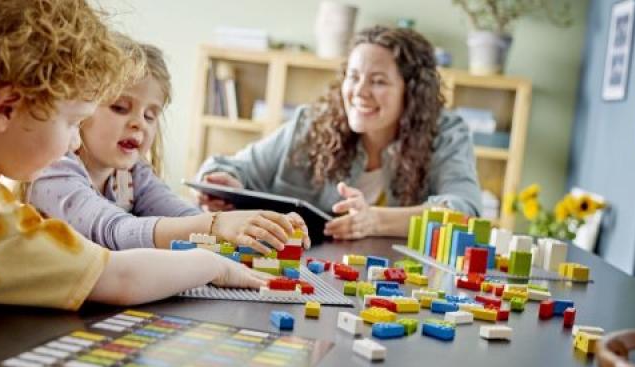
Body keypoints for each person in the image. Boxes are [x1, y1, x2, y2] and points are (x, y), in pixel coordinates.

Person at [0, 0, 268, 330]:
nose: (75, 141)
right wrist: (212, 265)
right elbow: (120, 278)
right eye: (71, 123)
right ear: (6, 108)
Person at [26, 38, 309, 255]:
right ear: (81, 109)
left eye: (151, 115)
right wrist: (218, 225)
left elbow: (183, 216)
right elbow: (114, 231)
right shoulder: (54, 170)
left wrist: (255, 231)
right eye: (121, 107)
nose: (139, 124)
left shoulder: (130, 174)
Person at [197, 26, 482, 240]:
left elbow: (464, 212)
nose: (359, 92)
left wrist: (376, 221)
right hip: (304, 272)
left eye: (378, 81)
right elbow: (230, 168)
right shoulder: (313, 123)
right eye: (354, 77)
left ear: (412, 93)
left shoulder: (446, 133)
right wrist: (225, 183)